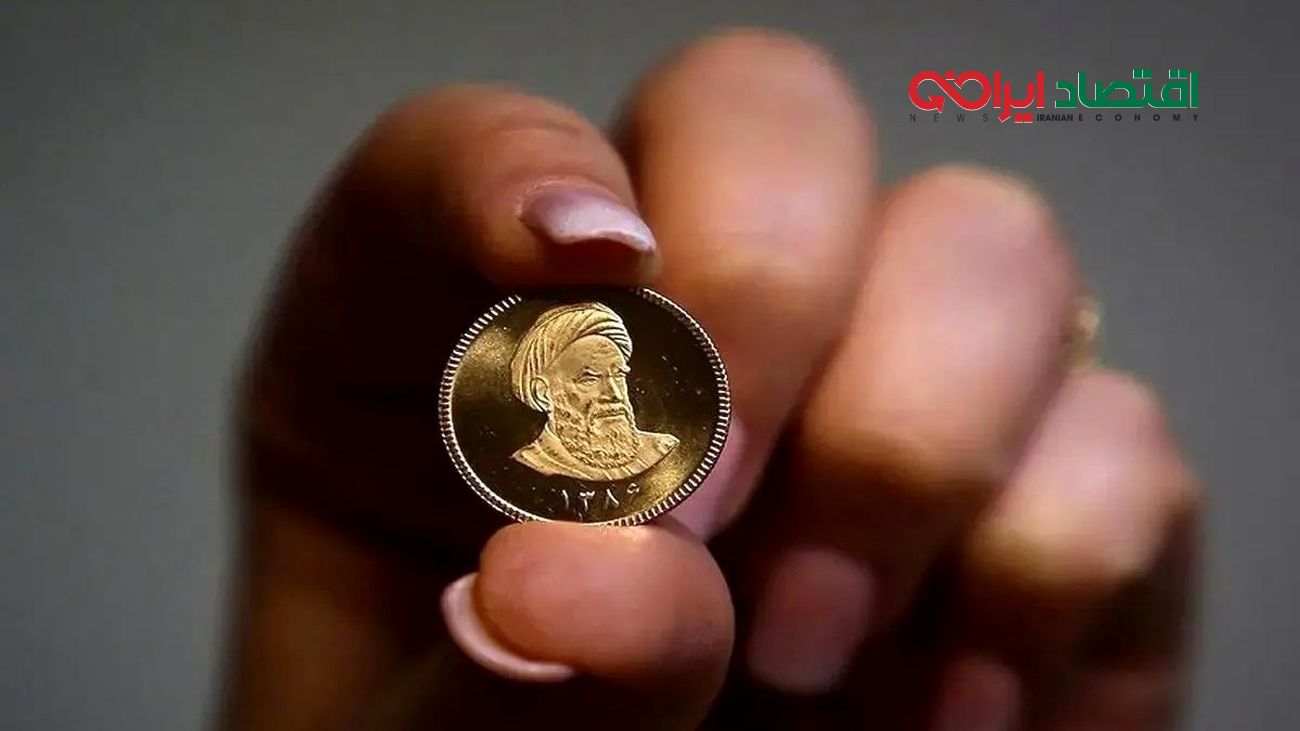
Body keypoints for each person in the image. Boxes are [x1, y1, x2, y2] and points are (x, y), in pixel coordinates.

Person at [224, 29, 1200, 731]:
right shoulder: (494, 478)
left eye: (618, 371)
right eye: (587, 375)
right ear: (541, 389)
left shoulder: (653, 449)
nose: (611, 392)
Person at [509, 302, 678, 481]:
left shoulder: (660, 448)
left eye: (618, 375)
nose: (614, 394)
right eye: (589, 379)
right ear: (543, 393)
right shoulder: (529, 464)